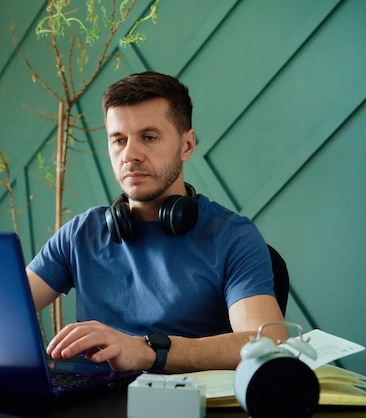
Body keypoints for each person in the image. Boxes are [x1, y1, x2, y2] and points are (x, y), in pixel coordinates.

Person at [26, 71, 286, 375]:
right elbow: (0, 312)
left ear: (187, 145)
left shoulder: (232, 236)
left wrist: (146, 351)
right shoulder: (80, 233)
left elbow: (268, 342)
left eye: (149, 137)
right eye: (119, 140)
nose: (130, 155)